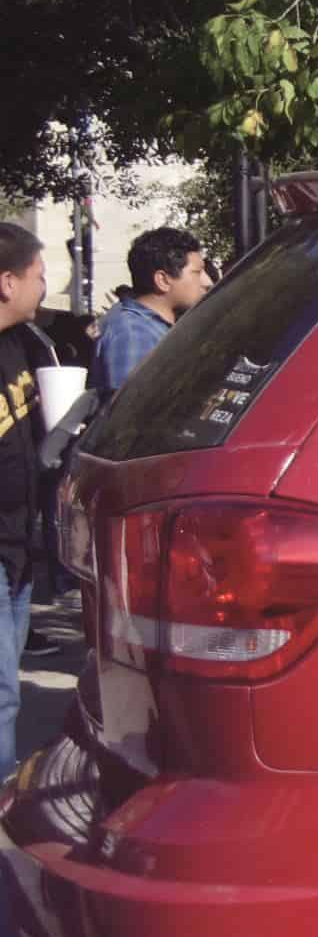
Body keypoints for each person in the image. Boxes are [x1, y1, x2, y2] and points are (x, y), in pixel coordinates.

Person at [0, 224, 59, 760]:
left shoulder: (21, 344)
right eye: (38, 277)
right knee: (2, 696)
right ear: (6, 283)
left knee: (7, 688)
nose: (45, 287)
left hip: (18, 548)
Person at [88, 224, 211, 396]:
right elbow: (131, 410)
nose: (207, 282)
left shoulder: (154, 327)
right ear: (163, 280)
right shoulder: (133, 334)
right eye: (197, 272)